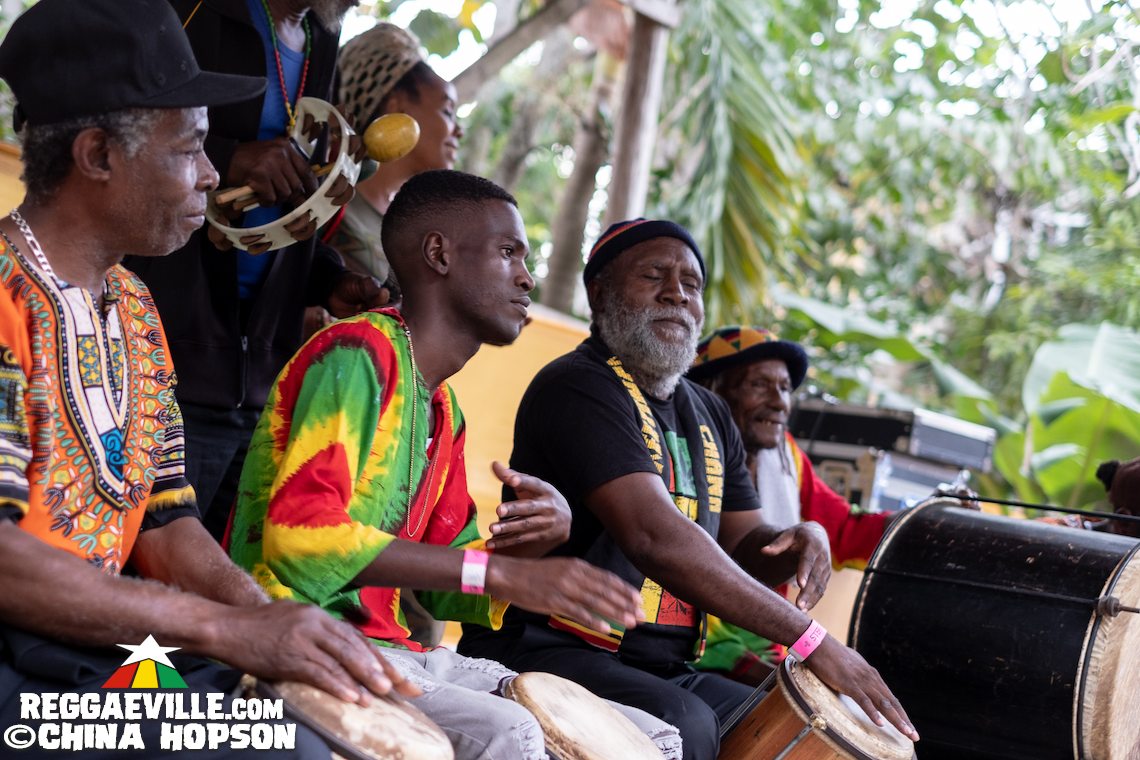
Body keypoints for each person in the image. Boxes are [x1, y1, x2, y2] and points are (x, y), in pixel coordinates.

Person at [0, 2, 414, 758]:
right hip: (18, 671)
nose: (213, 173)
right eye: (190, 146)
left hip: (97, 654)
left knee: (323, 726)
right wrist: (229, 627)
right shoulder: (3, 300)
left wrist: (273, 622)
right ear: (97, 154)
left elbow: (164, 518)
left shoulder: (134, 309)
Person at [229, 171, 681, 760]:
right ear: (438, 254)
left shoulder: (443, 409)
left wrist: (531, 548)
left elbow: (447, 587)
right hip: (298, 634)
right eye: (508, 252)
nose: (527, 276)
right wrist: (497, 575)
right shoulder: (358, 353)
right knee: (510, 732)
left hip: (398, 651)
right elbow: (301, 537)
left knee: (656, 738)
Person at [457, 217, 919, 759]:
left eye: (691, 284)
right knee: (689, 725)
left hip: (666, 668)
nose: (677, 294)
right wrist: (810, 638)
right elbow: (654, 536)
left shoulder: (710, 412)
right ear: (599, 292)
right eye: (654, 276)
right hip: (550, 646)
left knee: (790, 720)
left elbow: (748, 547)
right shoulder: (580, 385)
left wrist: (796, 539)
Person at [124, 0, 387, 540]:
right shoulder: (191, 8)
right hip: (163, 358)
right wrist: (224, 156)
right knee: (136, 584)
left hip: (257, 381)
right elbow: (113, 122)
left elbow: (289, 200)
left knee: (204, 600)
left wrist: (325, 280)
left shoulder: (319, 35)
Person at [686, 326, 893, 684]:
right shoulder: (682, 450)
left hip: (770, 647)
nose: (780, 402)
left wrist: (926, 522)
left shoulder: (787, 458)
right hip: (698, 650)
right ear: (711, 391)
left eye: (784, 388)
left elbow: (843, 529)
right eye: (758, 385)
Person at [326, 22, 464, 292]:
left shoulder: (411, 230)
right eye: (447, 111)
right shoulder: (327, 201)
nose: (459, 131)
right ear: (395, 103)